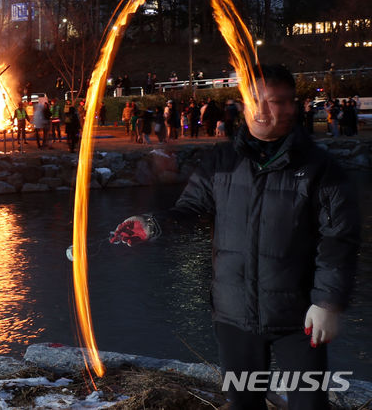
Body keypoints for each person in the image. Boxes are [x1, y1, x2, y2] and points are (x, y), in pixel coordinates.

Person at [109, 65, 359, 410]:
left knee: (309, 404)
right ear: (243, 103)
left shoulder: (321, 168)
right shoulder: (221, 161)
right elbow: (192, 211)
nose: (266, 111)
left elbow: (339, 239)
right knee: (242, 403)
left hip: (299, 316)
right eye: (258, 101)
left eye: (277, 102)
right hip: (233, 313)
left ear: (291, 106)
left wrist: (327, 302)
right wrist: (153, 224)